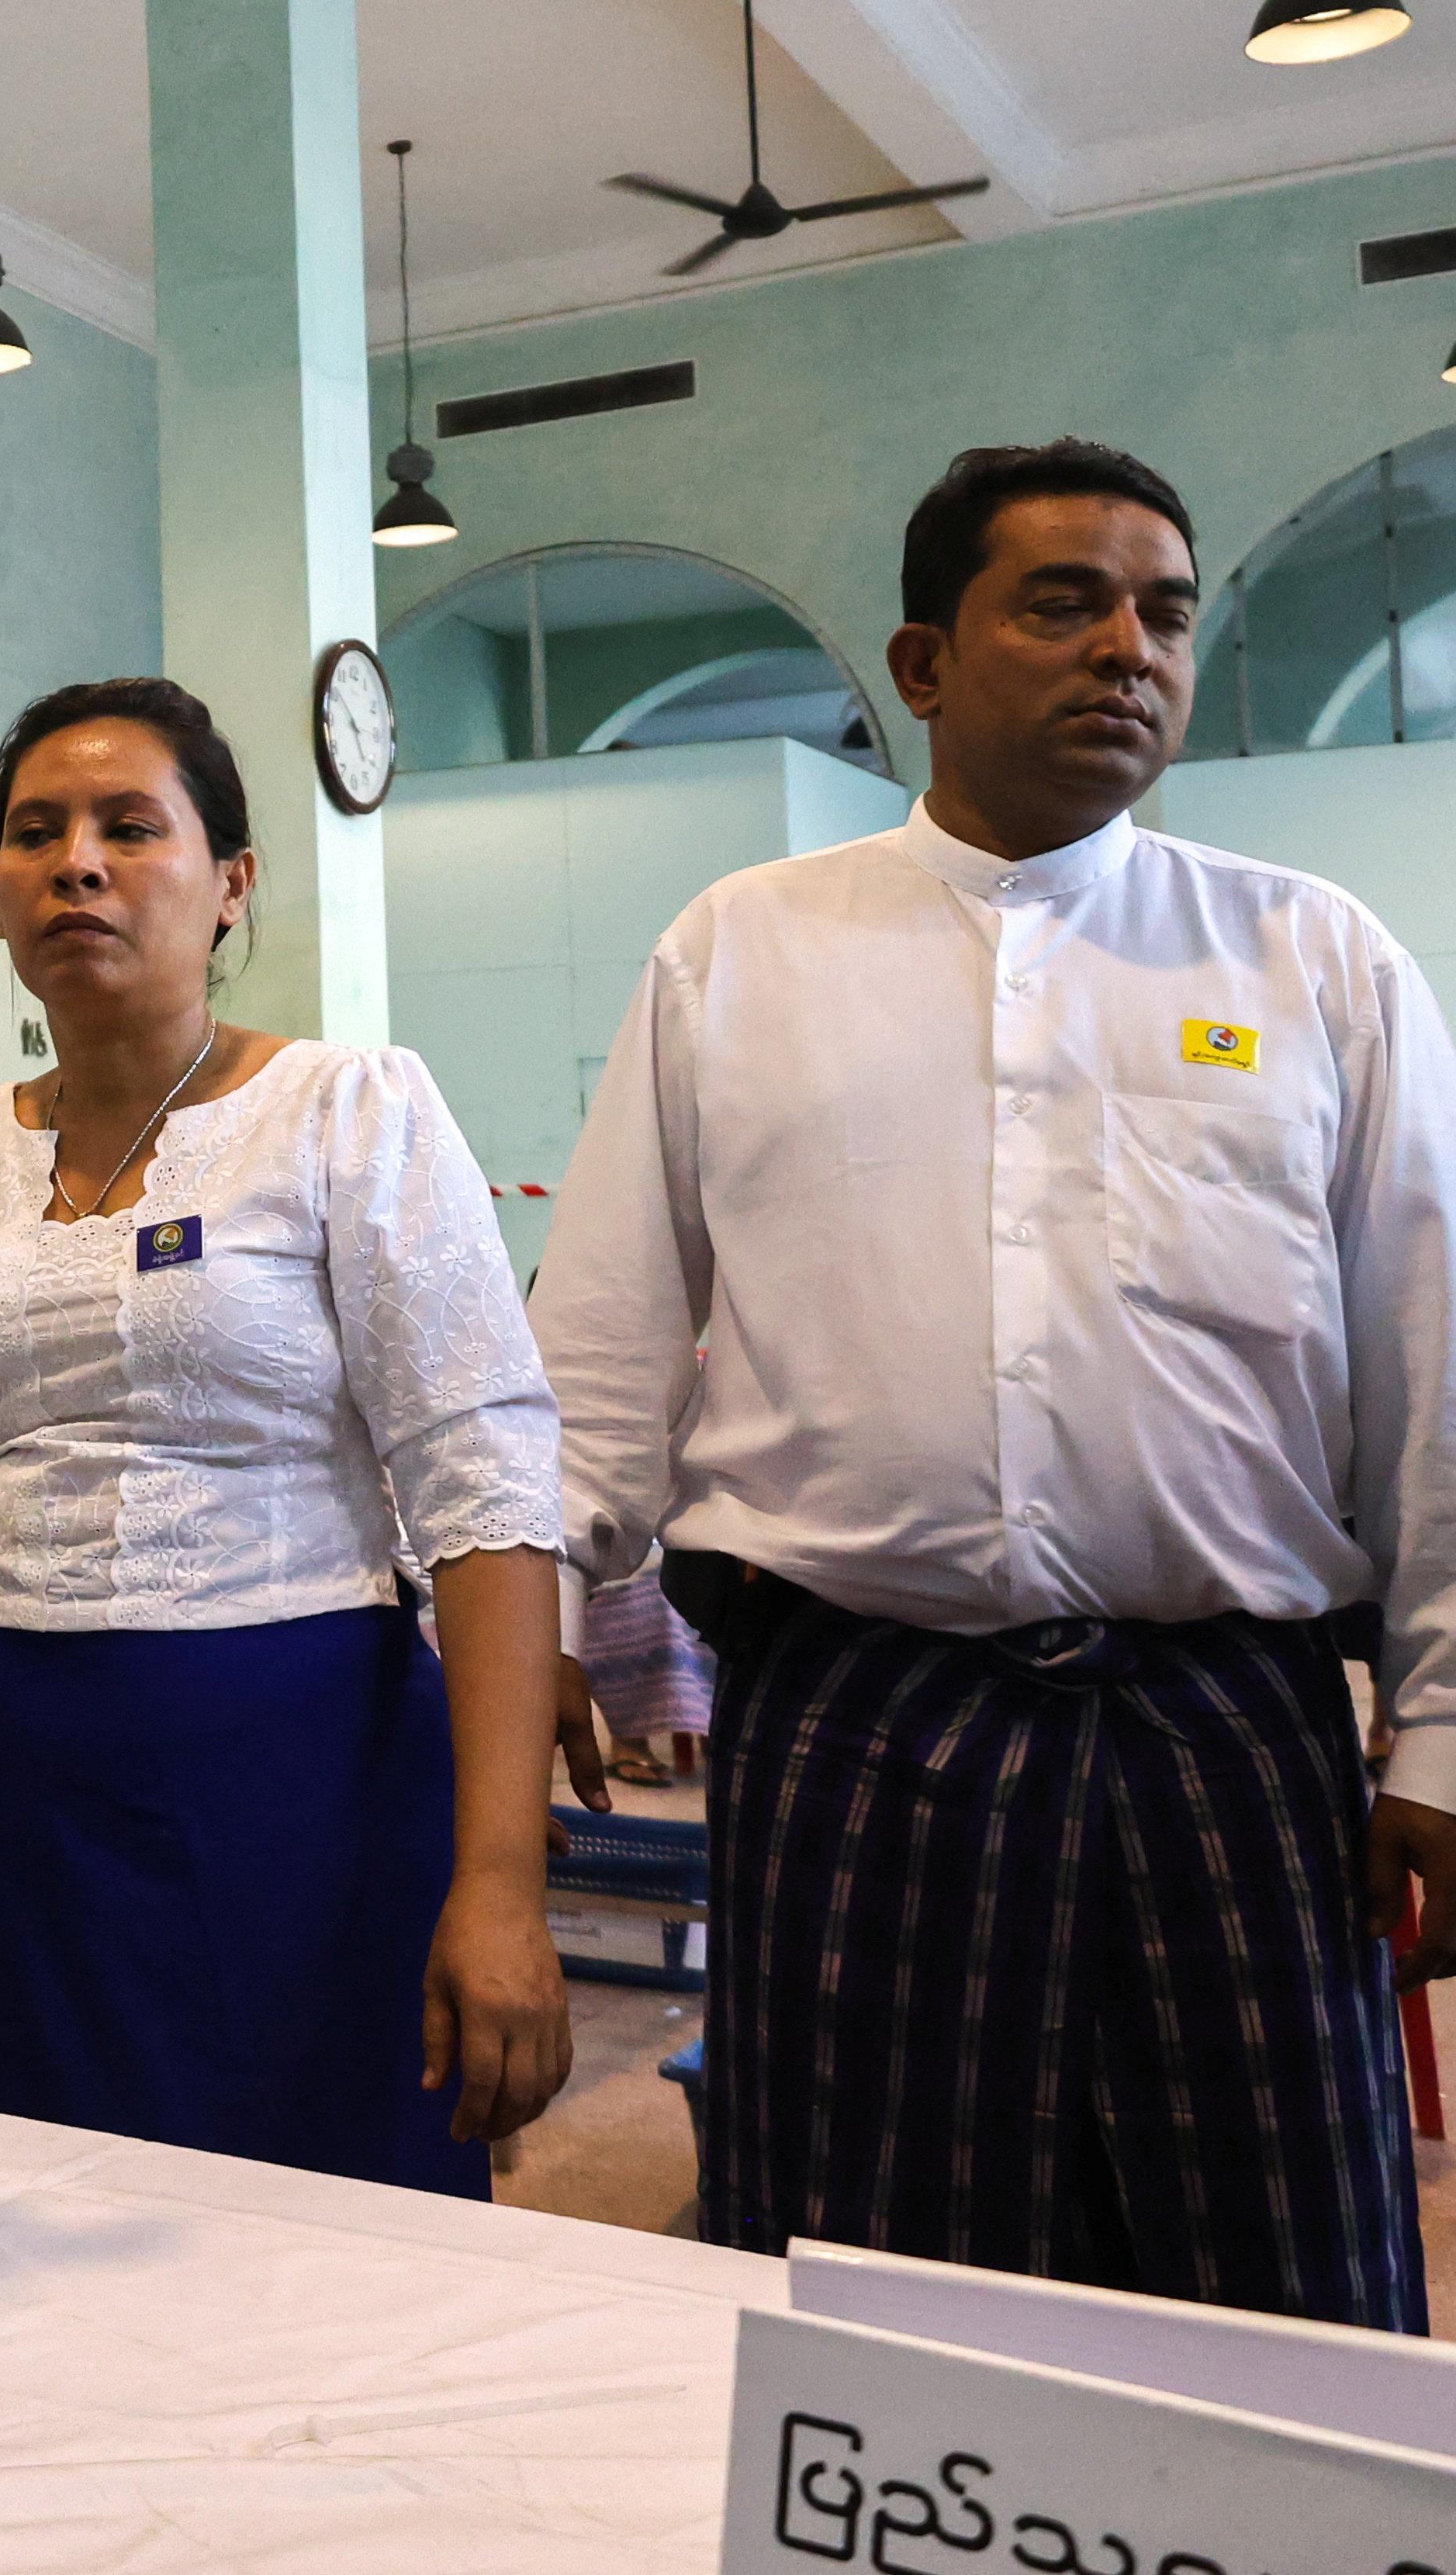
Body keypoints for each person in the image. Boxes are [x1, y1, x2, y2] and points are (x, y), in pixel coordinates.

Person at [532, 438, 1456, 2330]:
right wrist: (537, 1601)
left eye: (1164, 613)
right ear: (921, 661)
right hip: (856, 1729)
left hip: (1228, 1738)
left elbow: (1435, 1364)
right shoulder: (739, 951)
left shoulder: (1310, 959)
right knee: (873, 2301)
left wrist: (1444, 1722)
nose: (1129, 646)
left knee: (1272, 2292)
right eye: (1063, 602)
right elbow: (602, 1346)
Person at [0, 678, 577, 2193]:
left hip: (291, 1763)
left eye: (125, 828)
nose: (73, 862)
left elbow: (482, 1498)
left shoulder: (344, 1115)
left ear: (229, 885)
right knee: (18, 2215)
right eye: (33, 834)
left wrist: (497, 1880)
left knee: (309, 2227)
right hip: (11, 1772)